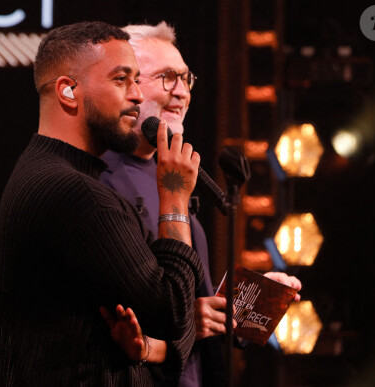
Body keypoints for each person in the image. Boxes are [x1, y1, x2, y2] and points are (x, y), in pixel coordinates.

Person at [0, 21, 206, 386]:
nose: (137, 96)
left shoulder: (50, 174)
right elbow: (174, 314)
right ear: (68, 91)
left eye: (138, 79)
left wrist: (158, 348)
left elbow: (168, 326)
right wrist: (173, 193)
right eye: (122, 79)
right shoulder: (78, 197)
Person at [100, 22, 302, 387]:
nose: (181, 93)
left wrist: (239, 306)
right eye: (167, 78)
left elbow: (197, 304)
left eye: (186, 79)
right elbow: (106, 320)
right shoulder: (101, 182)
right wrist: (187, 317)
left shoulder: (169, 171)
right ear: (126, 84)